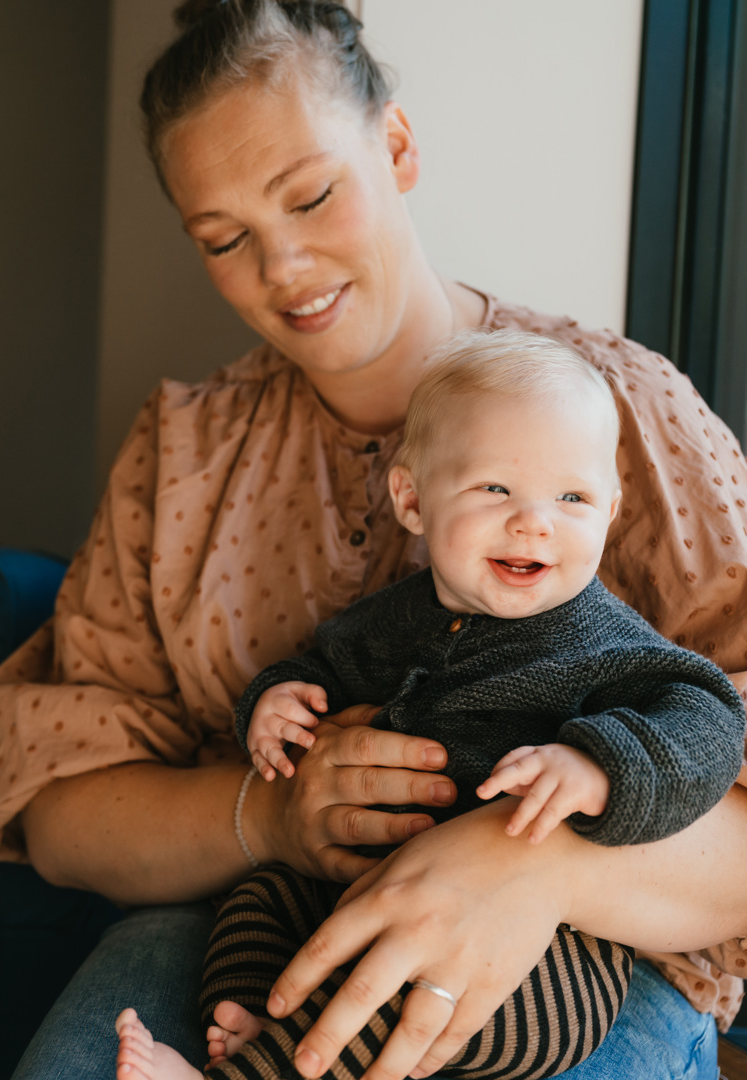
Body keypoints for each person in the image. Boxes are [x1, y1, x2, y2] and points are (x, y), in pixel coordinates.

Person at [0, 3, 747, 1078]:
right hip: (258, 932)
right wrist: (275, 814)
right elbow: (57, 809)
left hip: (583, 957)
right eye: (224, 239)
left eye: (311, 194)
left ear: (396, 148)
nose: (284, 268)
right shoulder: (183, 452)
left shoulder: (625, 416)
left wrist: (540, 865)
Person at [110, 330, 746, 1080]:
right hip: (366, 887)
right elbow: (321, 669)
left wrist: (598, 765)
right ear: (412, 499)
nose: (534, 520)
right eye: (494, 490)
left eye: (571, 497)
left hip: (544, 960)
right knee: (260, 900)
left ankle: (255, 1074)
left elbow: (708, 719)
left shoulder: (606, 642)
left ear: (609, 510)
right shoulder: (391, 620)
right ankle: (262, 1024)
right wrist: (274, 702)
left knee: (435, 995)